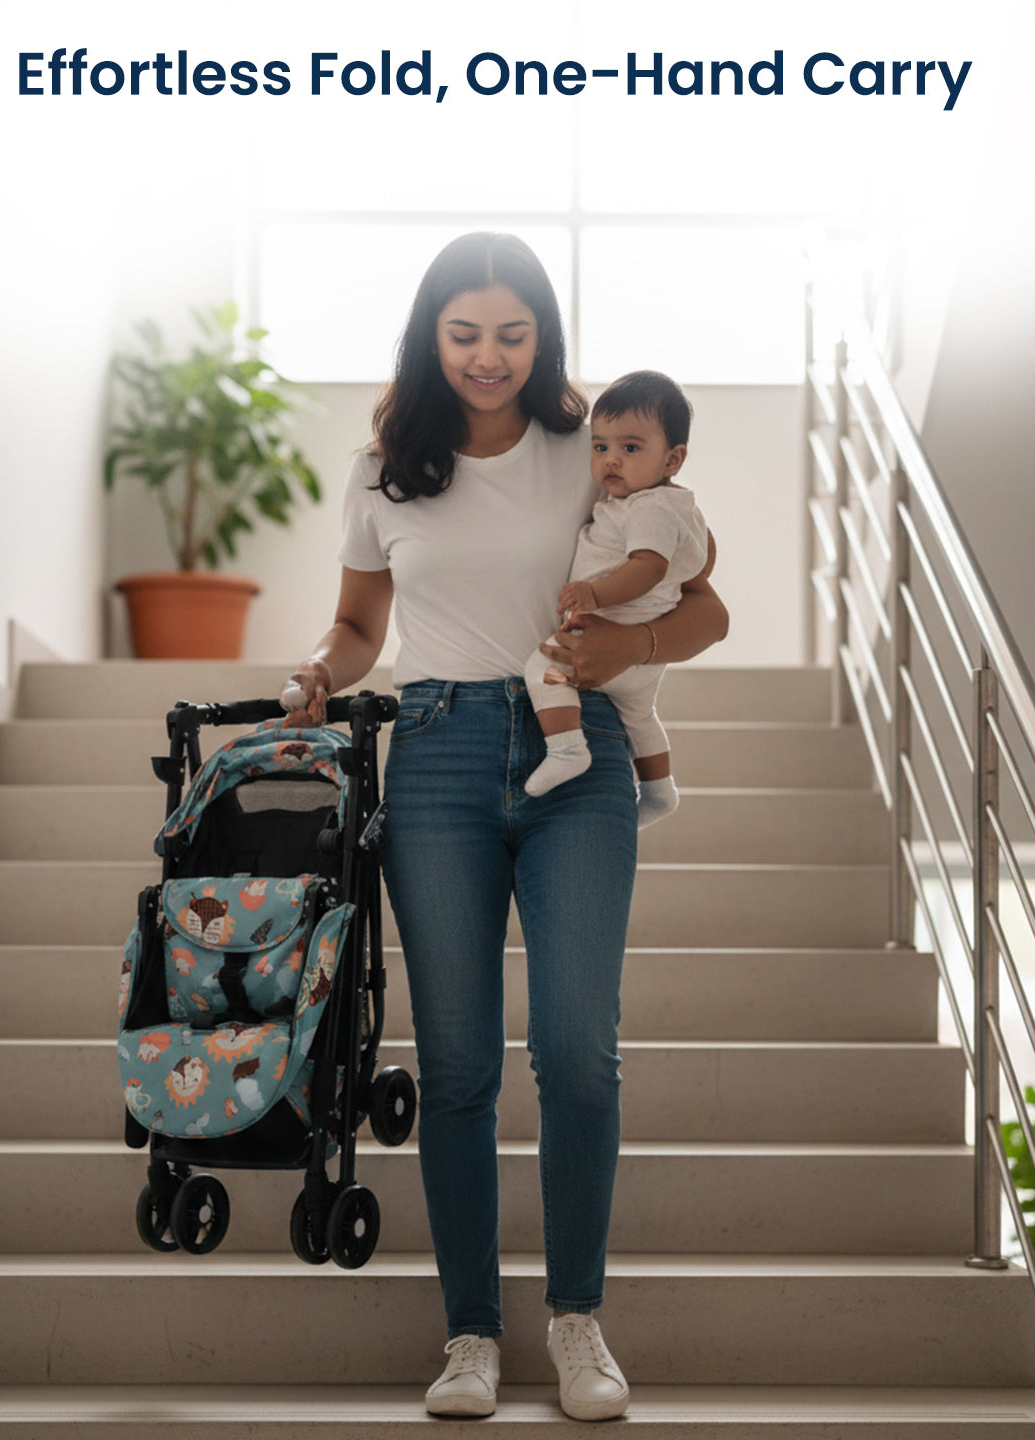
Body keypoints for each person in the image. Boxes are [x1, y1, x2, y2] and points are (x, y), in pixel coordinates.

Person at [281, 232, 728, 1422]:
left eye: (513, 334)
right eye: (465, 333)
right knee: (463, 1066)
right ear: (432, 337)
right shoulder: (386, 470)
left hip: (575, 757)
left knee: (578, 1050)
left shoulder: (595, 450)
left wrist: (630, 644)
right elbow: (356, 625)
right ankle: (471, 1333)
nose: (489, 357)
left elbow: (706, 602)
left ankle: (577, 1321)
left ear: (545, 340)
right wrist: (317, 670)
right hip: (433, 756)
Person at [522, 369, 708, 827]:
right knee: (640, 716)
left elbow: (649, 568)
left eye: (630, 448)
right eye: (601, 446)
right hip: (639, 654)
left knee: (542, 669)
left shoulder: (651, 508)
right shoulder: (654, 504)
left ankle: (567, 749)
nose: (611, 460)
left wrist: (593, 593)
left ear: (673, 460)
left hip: (615, 628)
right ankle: (660, 790)